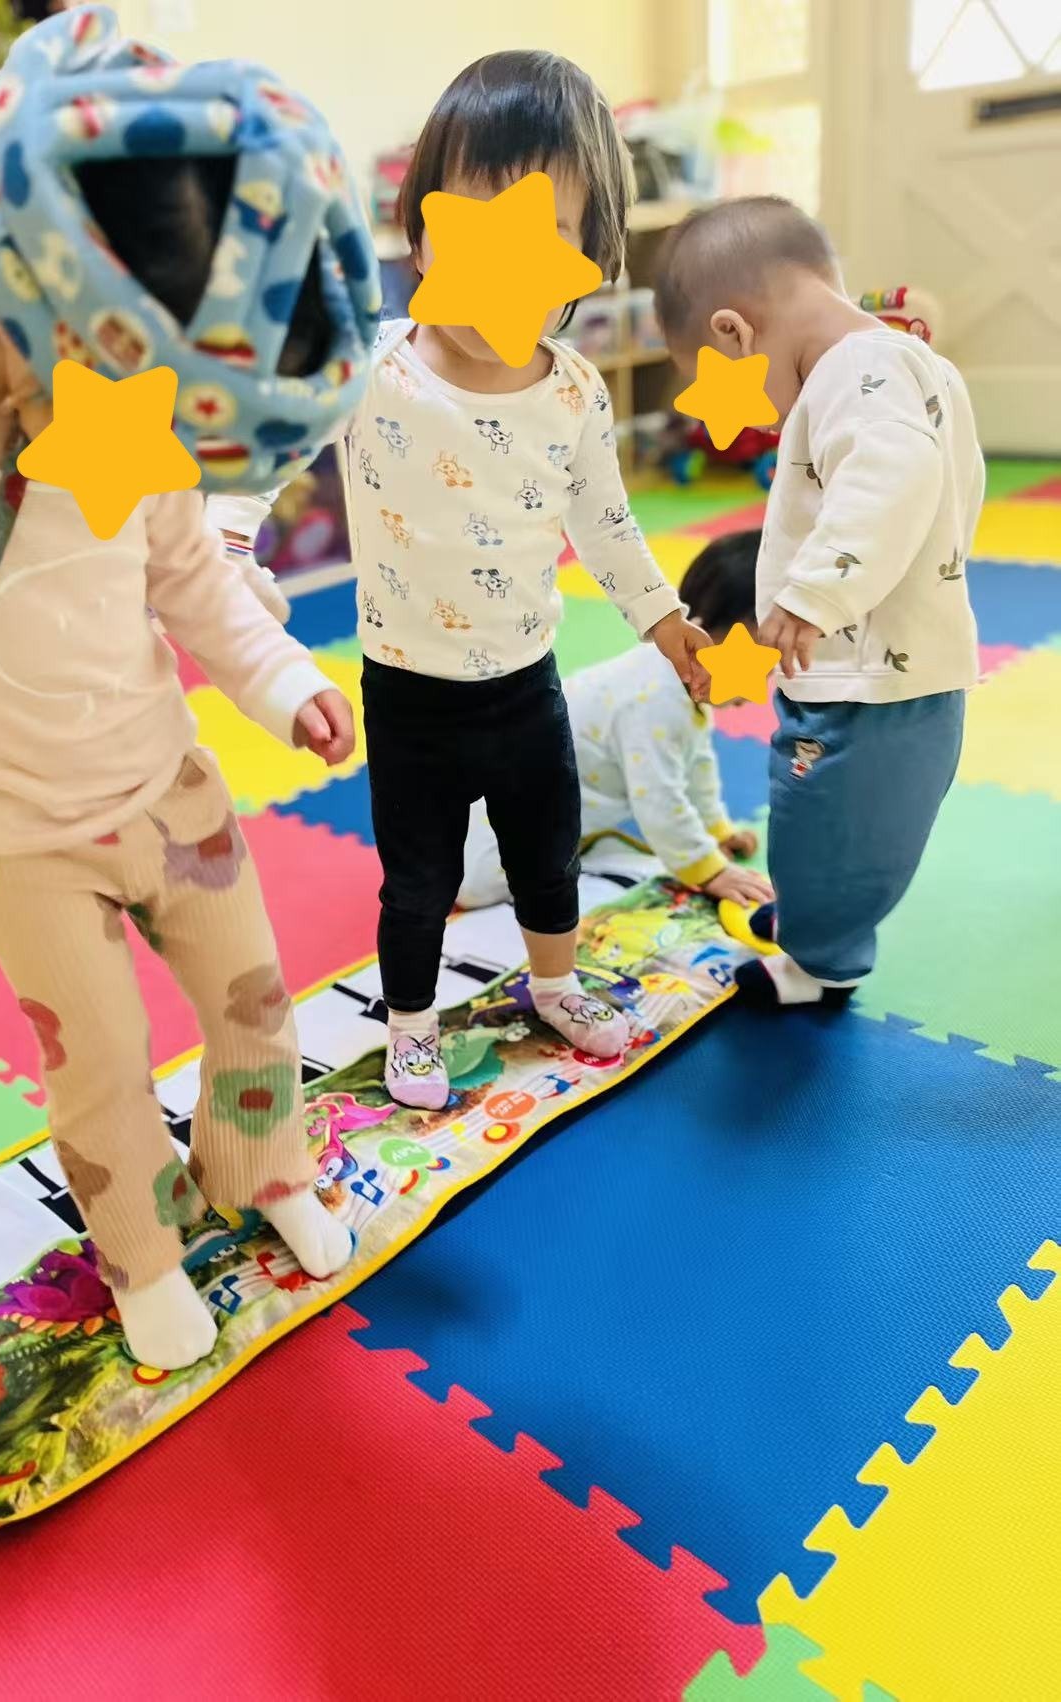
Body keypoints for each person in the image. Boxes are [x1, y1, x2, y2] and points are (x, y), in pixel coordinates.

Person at [0, 8, 383, 1370]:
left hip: (170, 783)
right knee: (100, 1062)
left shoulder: (147, 404)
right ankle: (142, 1252)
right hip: (20, 838)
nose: (147, 434)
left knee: (255, 1007)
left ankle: (263, 1165)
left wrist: (282, 678)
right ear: (19, 283)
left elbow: (189, 573)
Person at [347, 51, 712, 1109]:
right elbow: (268, 451)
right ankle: (411, 1025)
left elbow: (606, 523)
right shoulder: (374, 370)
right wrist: (230, 549)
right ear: (420, 231)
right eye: (471, 226)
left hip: (524, 681)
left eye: (538, 238)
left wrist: (664, 619)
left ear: (587, 258)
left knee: (547, 857)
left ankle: (553, 984)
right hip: (408, 690)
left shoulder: (574, 395)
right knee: (418, 880)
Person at [654, 195, 981, 1006]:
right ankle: (817, 923)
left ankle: (818, 964)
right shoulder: (899, 364)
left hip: (868, 678)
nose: (758, 417)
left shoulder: (853, 372)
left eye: (721, 383)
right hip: (887, 667)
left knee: (821, 825)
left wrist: (813, 596)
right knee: (843, 827)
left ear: (734, 332)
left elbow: (892, 480)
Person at [457, 530, 774, 912]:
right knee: (475, 884)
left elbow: (697, 764)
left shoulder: (685, 683)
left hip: (552, 793)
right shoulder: (654, 701)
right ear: (698, 633)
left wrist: (716, 828)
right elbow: (658, 800)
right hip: (510, 797)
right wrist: (709, 871)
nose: (759, 684)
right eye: (748, 663)